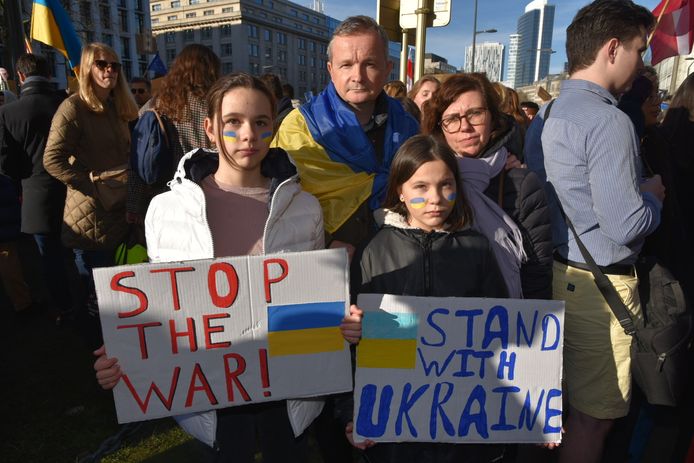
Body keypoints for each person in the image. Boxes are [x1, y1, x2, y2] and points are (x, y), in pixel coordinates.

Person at [93, 72, 363, 462]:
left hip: (288, 391)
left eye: (260, 122)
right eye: (233, 122)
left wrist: (338, 324)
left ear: (274, 127)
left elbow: (309, 302)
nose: (248, 134)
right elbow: (160, 305)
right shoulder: (167, 210)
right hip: (209, 395)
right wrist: (127, 349)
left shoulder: (304, 207)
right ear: (210, 128)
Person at [523, 2, 663, 462]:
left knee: (569, 408)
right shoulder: (610, 120)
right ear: (612, 47)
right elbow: (626, 225)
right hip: (603, 285)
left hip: (565, 275)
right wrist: (654, 197)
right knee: (594, 418)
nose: (640, 61)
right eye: (640, 50)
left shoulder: (547, 114)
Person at [340, 134, 508, 463]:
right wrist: (351, 410)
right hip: (396, 416)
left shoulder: (477, 248)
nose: (436, 199)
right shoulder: (373, 251)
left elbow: (503, 330)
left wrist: (531, 408)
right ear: (400, 191)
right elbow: (354, 343)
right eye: (421, 187)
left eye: (446, 185)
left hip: (461, 413)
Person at [274, 15, 419, 257]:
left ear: (387, 69)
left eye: (370, 64)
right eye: (346, 65)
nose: (358, 76)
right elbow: (278, 202)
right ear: (331, 70)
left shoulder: (408, 127)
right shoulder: (298, 127)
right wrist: (326, 241)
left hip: (399, 259)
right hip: (324, 259)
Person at [421, 73, 552, 300]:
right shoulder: (422, 181)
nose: (465, 127)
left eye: (475, 114)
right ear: (439, 127)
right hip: (439, 318)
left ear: (493, 117)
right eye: (452, 119)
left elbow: (537, 273)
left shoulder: (520, 183)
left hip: (502, 321)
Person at [43, 43, 139, 348]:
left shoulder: (118, 107)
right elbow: (52, 159)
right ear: (87, 68)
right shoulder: (73, 107)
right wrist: (93, 185)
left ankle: (117, 348)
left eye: (115, 65)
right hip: (91, 218)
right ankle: (96, 352)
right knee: (96, 295)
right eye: (101, 64)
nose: (109, 70)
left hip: (120, 212)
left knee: (117, 290)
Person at [0, 53, 72, 323]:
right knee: (80, 253)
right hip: (74, 189)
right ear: (48, 73)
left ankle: (65, 308)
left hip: (35, 195)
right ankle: (92, 304)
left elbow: (5, 163)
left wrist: (25, 178)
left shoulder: (7, 113)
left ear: (20, 77)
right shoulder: (66, 103)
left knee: (50, 257)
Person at [127, 44, 220, 222]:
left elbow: (136, 159)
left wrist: (134, 206)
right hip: (210, 194)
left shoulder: (155, 106)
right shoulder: (218, 106)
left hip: (165, 196)